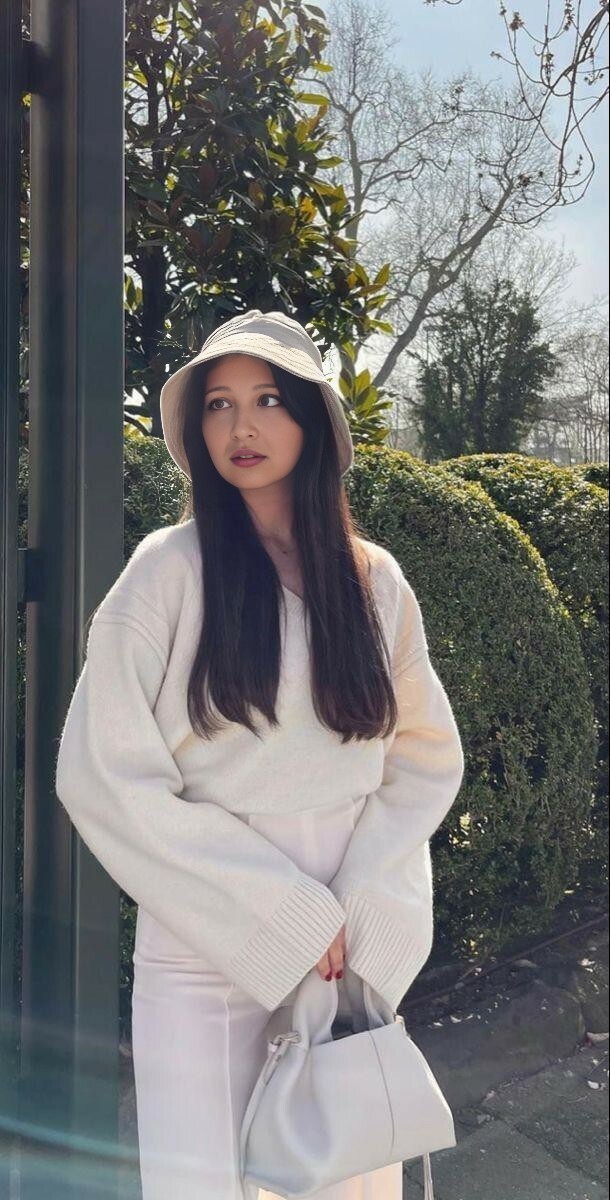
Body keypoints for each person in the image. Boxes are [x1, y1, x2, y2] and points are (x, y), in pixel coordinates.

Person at [54, 308, 465, 1200]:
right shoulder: (166, 571)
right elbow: (103, 775)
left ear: (313, 419)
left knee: (343, 1171)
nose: (241, 426)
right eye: (219, 404)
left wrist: (365, 897)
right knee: (204, 1180)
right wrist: (279, 913)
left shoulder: (374, 580)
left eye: (269, 399)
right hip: (204, 943)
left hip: (347, 937)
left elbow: (424, 756)